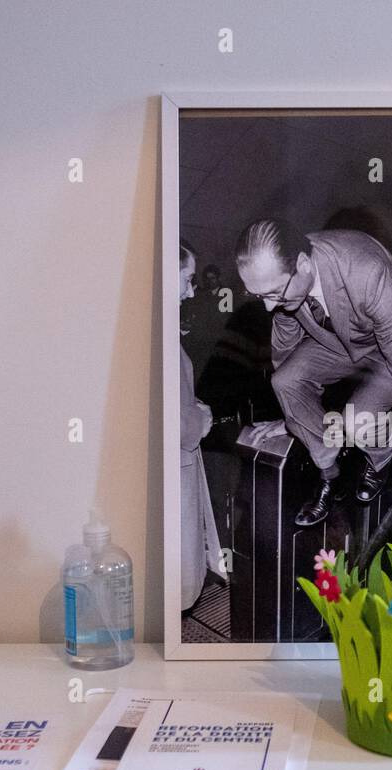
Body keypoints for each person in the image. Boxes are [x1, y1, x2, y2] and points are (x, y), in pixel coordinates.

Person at [239, 219, 392, 526]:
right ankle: (330, 473)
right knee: (284, 380)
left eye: (274, 293)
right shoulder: (281, 290)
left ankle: (382, 458)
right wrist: (295, 416)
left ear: (303, 264)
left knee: (357, 420)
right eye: (259, 296)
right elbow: (285, 355)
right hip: (345, 339)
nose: (268, 306)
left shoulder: (366, 270)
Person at [178, 240, 226, 610]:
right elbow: (179, 424)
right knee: (182, 552)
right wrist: (203, 416)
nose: (192, 290)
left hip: (179, 457)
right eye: (189, 278)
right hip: (179, 461)